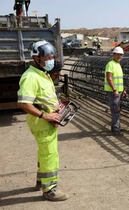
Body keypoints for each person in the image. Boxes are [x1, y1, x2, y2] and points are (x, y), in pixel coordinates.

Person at [17, 40, 68, 201]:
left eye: (52, 56)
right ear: (37, 59)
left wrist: (57, 106)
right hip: (42, 123)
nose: (50, 60)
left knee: (43, 153)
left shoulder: (42, 74)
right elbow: (24, 103)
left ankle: (41, 180)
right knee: (50, 155)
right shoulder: (30, 77)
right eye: (47, 57)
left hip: (47, 121)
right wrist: (45, 115)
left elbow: (45, 98)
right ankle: (49, 189)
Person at [104, 46, 126, 134]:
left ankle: (116, 128)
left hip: (118, 91)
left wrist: (123, 90)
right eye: (118, 55)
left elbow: (120, 79)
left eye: (121, 55)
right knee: (115, 111)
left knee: (116, 110)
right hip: (113, 92)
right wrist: (114, 90)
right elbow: (109, 78)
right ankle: (116, 130)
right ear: (114, 54)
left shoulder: (118, 64)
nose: (120, 57)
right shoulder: (110, 64)